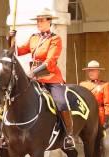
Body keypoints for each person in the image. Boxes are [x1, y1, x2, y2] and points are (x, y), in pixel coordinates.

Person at [9, 8, 75, 149]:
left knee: (61, 103)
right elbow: (18, 51)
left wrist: (34, 73)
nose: (39, 23)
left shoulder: (55, 39)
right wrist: (11, 39)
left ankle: (69, 135)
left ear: (49, 22)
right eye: (37, 21)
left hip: (50, 77)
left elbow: (50, 61)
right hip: (33, 77)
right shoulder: (34, 37)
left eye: (41, 20)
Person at [80, 60, 109, 157]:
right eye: (89, 70)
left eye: (93, 70)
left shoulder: (105, 85)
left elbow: (108, 104)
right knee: (86, 143)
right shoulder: (82, 84)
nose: (90, 72)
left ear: (98, 71)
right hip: (84, 117)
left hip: (98, 117)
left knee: (97, 143)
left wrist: (107, 119)